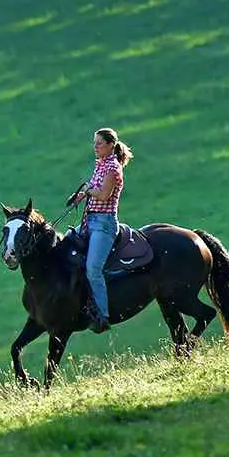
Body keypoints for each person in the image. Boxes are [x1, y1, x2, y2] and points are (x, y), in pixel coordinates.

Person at [68, 128, 132, 334]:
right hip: (91, 221)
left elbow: (103, 195)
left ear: (111, 145)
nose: (95, 147)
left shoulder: (113, 168)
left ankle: (102, 315)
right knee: (65, 244)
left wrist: (87, 191)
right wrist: (80, 196)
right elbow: (94, 190)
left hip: (104, 225)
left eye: (99, 143)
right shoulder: (101, 165)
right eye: (94, 143)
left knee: (93, 269)